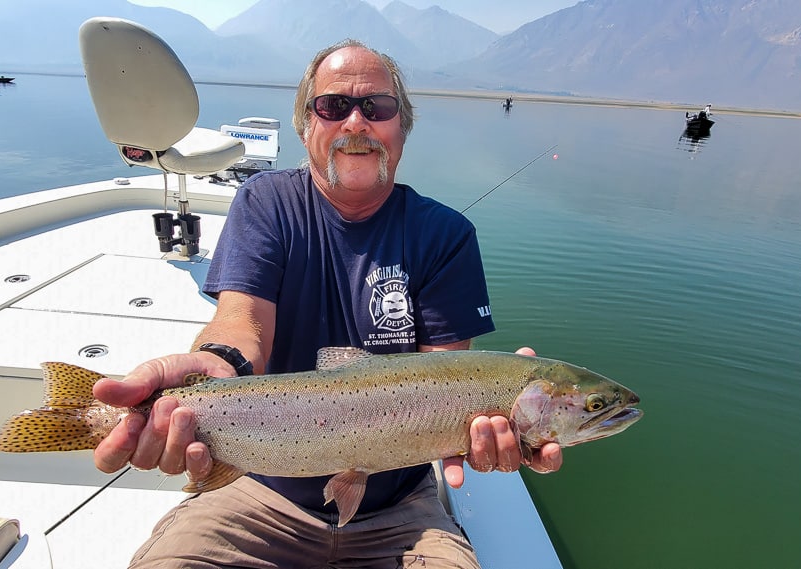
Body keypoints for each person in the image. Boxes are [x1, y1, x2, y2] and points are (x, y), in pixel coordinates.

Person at [92, 38, 565, 568]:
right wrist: (216, 363)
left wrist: (495, 403)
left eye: (377, 108)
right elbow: (242, 326)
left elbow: (443, 377)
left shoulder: (446, 234)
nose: (357, 123)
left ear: (401, 127)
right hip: (257, 488)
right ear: (306, 126)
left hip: (402, 509)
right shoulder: (266, 202)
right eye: (334, 106)